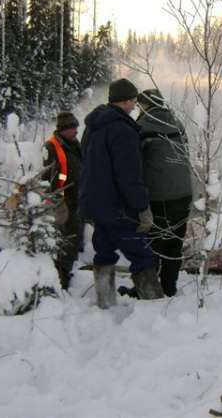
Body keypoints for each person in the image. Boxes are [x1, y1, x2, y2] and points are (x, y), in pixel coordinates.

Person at [79, 79, 164, 308]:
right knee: (142, 255)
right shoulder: (123, 130)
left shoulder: (93, 126)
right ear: (125, 101)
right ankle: (155, 308)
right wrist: (142, 207)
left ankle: (105, 303)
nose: (135, 105)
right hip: (118, 208)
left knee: (104, 252)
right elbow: (129, 176)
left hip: (96, 204)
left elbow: (86, 163)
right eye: (134, 101)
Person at [135, 88, 193, 297]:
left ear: (146, 106)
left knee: (153, 242)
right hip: (184, 193)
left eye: (140, 105)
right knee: (174, 242)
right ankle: (169, 287)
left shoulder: (141, 126)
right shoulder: (177, 123)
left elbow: (136, 163)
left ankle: (148, 289)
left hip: (158, 195)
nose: (138, 109)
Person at [43, 111, 83, 289]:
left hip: (76, 198)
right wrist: (55, 200)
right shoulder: (51, 147)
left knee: (74, 238)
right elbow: (45, 177)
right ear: (63, 129)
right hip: (61, 201)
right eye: (72, 127)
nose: (76, 130)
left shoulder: (74, 144)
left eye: (76, 127)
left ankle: (66, 273)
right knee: (65, 240)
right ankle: (60, 279)